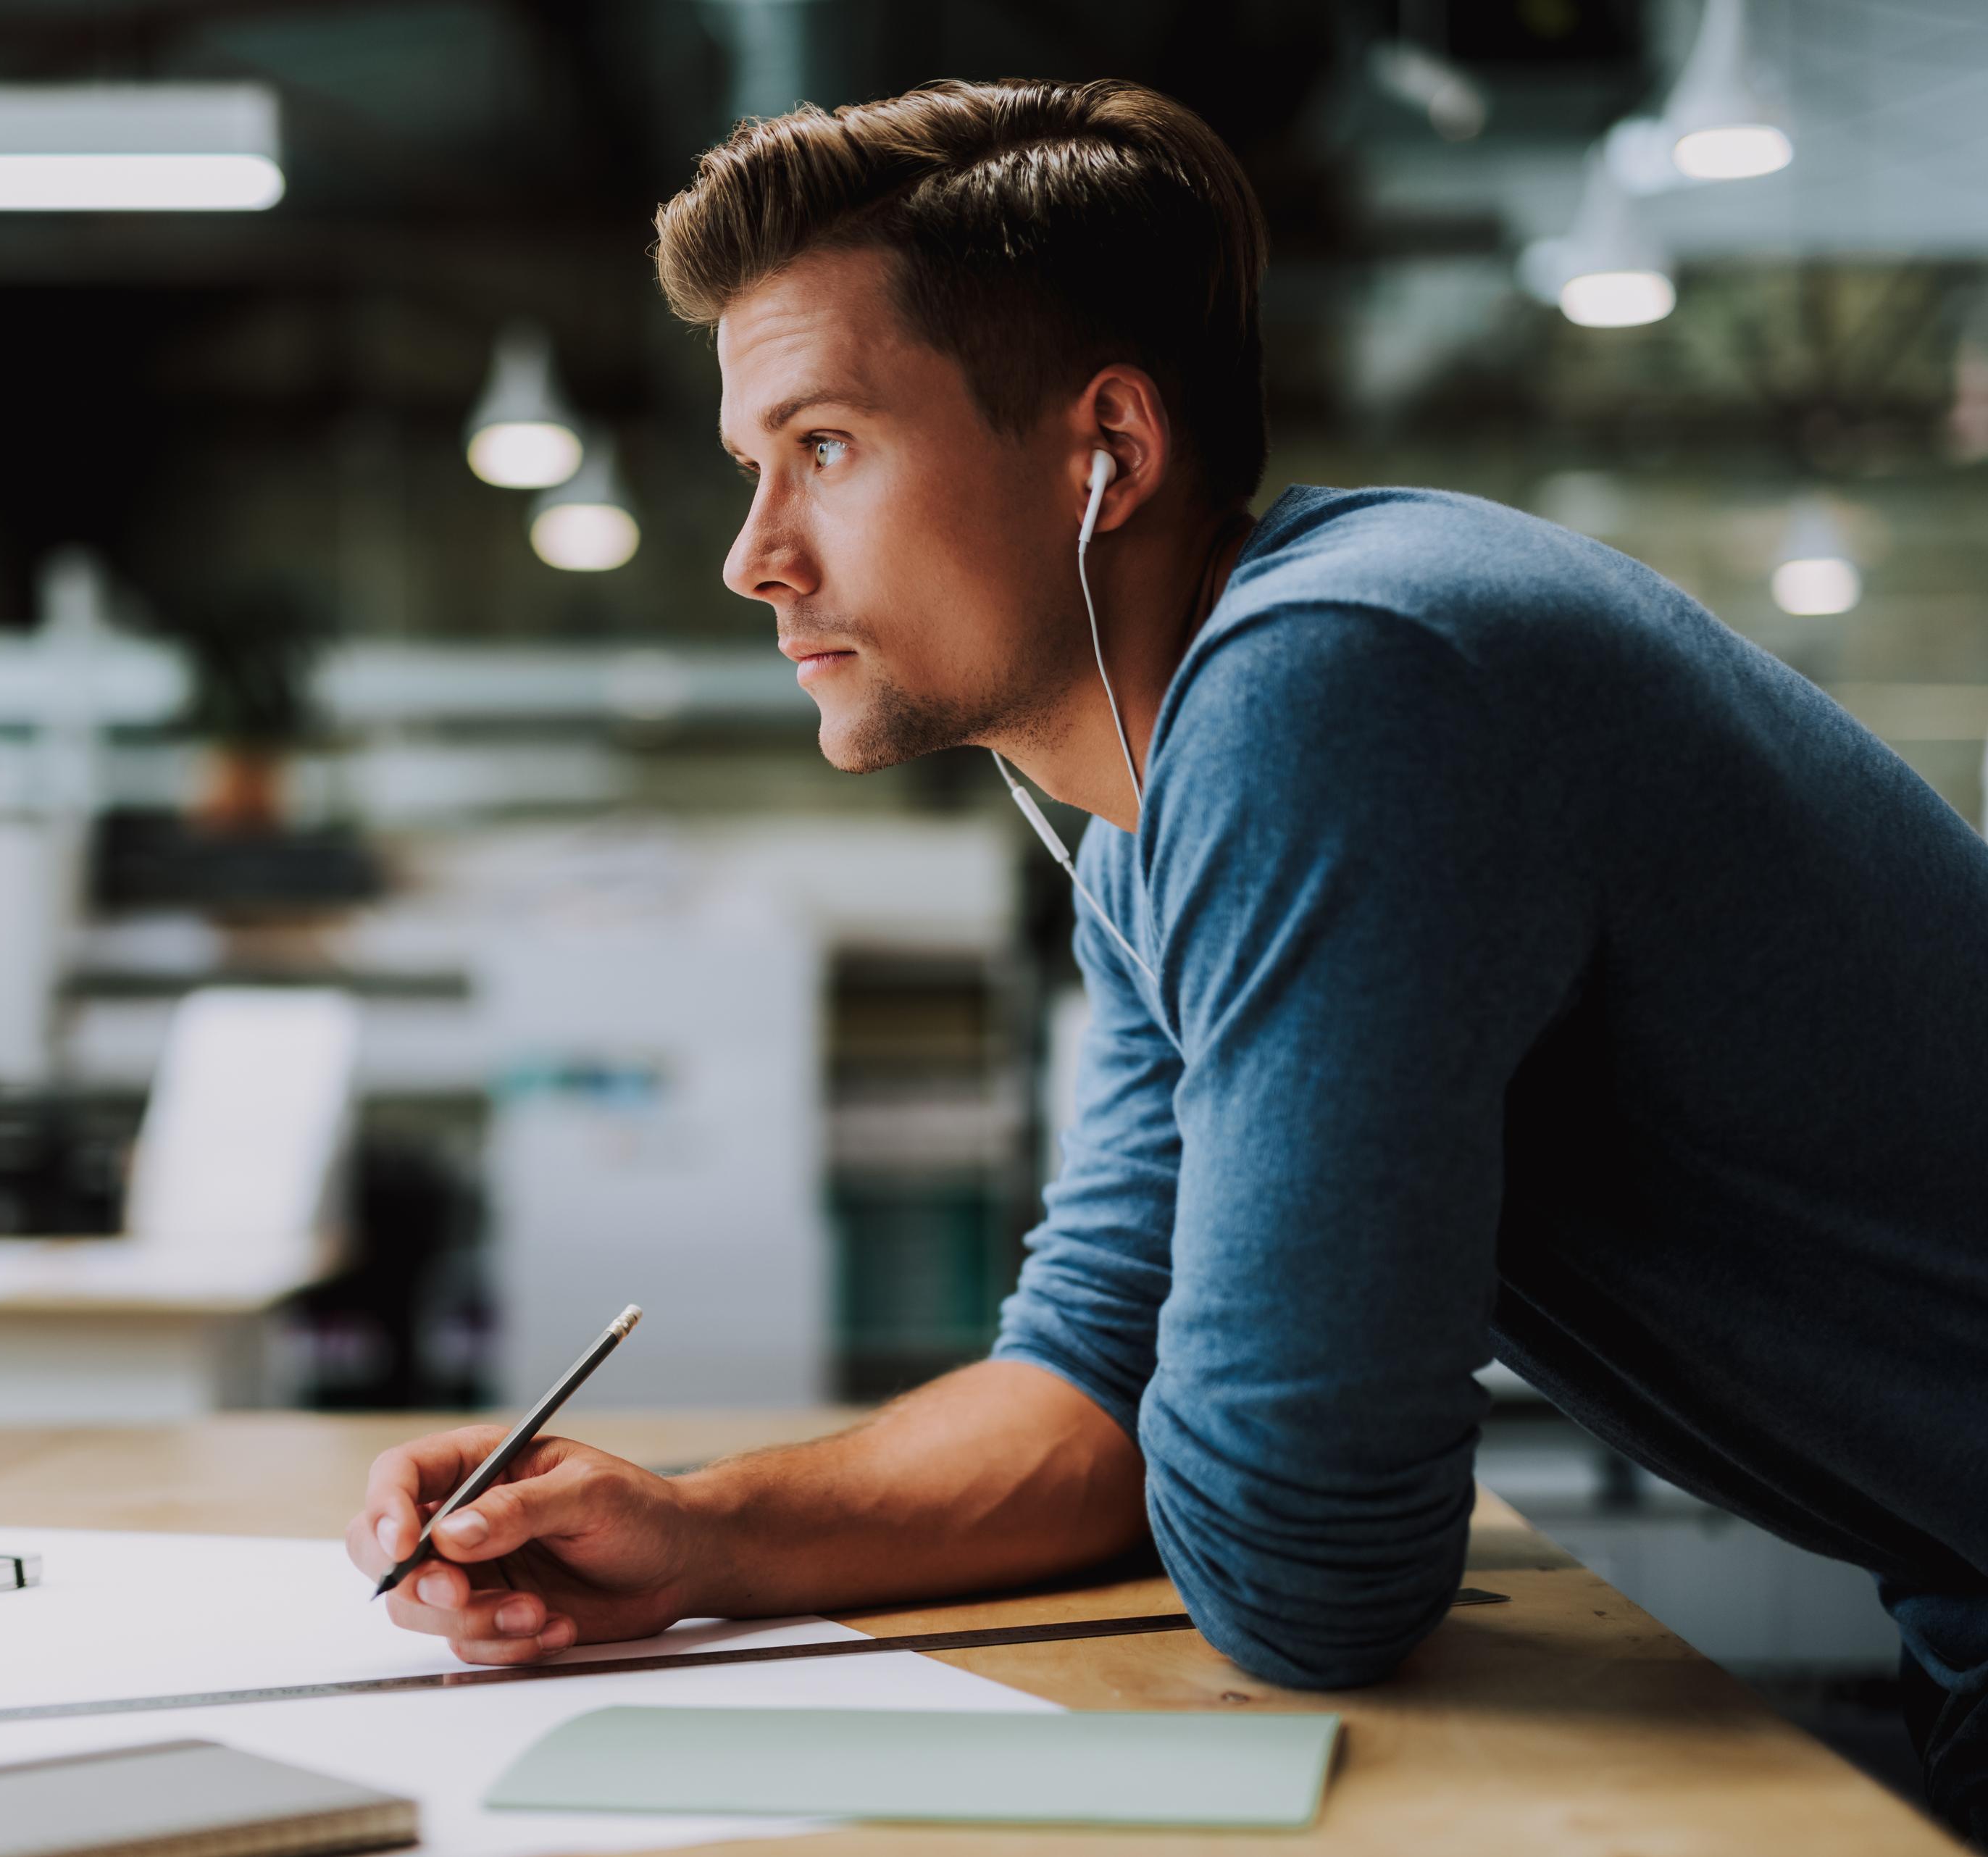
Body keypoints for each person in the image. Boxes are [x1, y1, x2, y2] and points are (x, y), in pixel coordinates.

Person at [343, 78, 1988, 1837]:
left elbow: (1309, 1565)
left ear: (1103, 450)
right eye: (756, 468)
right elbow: (1085, 1382)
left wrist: (1211, 1408)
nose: (755, 556)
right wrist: (699, 1533)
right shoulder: (1143, 809)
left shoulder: (1336, 684)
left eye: (823, 447)